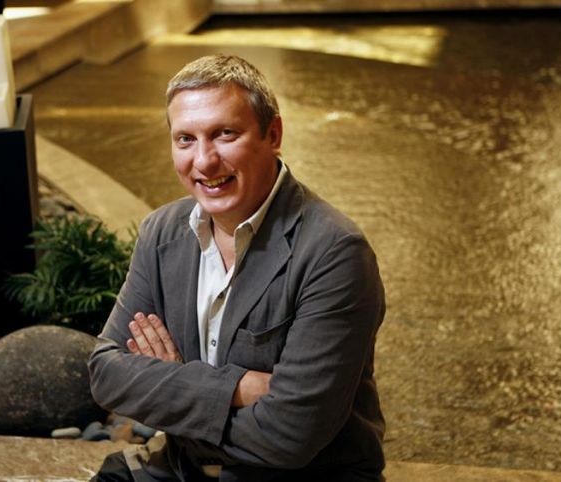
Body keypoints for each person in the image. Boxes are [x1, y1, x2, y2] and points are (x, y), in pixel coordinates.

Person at [88, 54, 386, 482]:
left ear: (273, 134)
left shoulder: (334, 253)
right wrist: (240, 388)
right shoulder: (161, 232)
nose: (204, 161)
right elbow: (106, 374)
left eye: (225, 134)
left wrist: (171, 387)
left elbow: (290, 436)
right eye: (185, 139)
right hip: (182, 469)